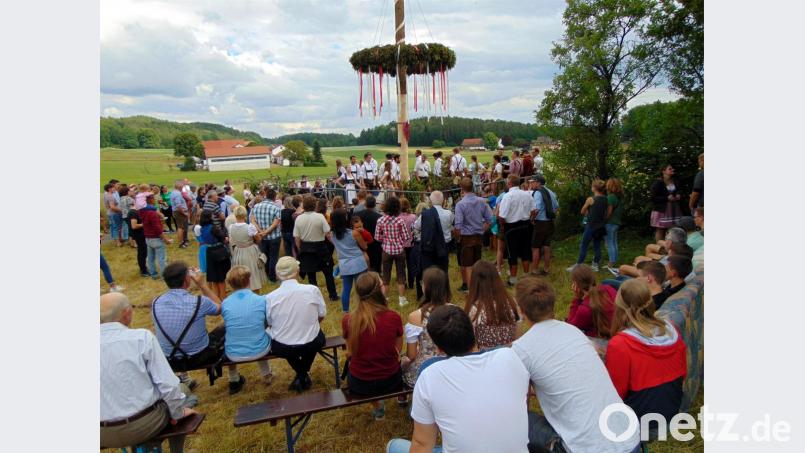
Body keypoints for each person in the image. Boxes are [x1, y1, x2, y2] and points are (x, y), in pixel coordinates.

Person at [511, 277, 640, 453]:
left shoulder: (521, 349)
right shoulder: (573, 331)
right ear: (552, 306)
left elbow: (516, 401)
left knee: (518, 420)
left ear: (521, 310)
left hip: (588, 449)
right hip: (630, 438)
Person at [386, 305, 530, 453]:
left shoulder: (430, 375)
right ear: (473, 331)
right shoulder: (511, 357)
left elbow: (422, 444)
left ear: (439, 349)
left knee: (394, 446)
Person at [100, 292, 197, 451]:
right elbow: (168, 386)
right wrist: (178, 413)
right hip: (143, 424)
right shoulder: (141, 338)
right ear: (127, 313)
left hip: (102, 432)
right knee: (182, 392)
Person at [607, 279, 687, 422]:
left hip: (639, 418)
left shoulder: (620, 344)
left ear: (619, 307)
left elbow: (616, 393)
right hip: (672, 407)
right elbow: (683, 372)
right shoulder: (670, 330)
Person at [151, 261, 224, 390]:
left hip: (169, 358)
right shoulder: (199, 302)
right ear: (187, 279)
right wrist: (202, 285)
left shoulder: (156, 302)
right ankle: (234, 377)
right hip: (199, 356)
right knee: (225, 327)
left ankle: (184, 377)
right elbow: (221, 308)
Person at [342, 272, 404, 420]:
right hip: (390, 380)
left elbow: (349, 351)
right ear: (379, 290)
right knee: (407, 360)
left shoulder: (348, 320)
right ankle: (402, 398)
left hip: (359, 382)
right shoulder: (393, 317)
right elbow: (398, 350)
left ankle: (378, 408)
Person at [265, 256, 327, 392]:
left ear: (277, 274)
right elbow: (322, 314)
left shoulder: (269, 298)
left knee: (289, 342)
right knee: (314, 339)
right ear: (297, 271)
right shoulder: (312, 290)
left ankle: (301, 375)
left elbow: (270, 323)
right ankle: (303, 374)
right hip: (311, 342)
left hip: (283, 346)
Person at [221, 266, 273, 394]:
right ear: (249, 281)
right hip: (260, 349)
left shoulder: (225, 303)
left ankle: (233, 378)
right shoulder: (261, 300)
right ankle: (267, 374)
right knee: (261, 331)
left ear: (230, 284)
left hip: (233, 353)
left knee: (230, 335)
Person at [402, 267, 453, 388]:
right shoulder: (456, 311)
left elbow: (412, 355)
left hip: (424, 372)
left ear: (426, 287)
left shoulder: (415, 316)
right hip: (452, 367)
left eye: (421, 283)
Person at [293, 195, 339, 301]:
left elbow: (297, 238)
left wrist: (301, 249)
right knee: (328, 272)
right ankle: (333, 295)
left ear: (304, 205)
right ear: (315, 205)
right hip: (320, 247)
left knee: (311, 274)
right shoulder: (319, 217)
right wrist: (336, 245)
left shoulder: (299, 218)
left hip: (306, 247)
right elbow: (328, 234)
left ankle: (314, 298)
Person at [464, 261, 519, 349]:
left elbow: (470, 345)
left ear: (474, 281)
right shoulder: (511, 303)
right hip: (509, 355)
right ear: (496, 278)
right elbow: (517, 335)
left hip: (485, 359)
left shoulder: (474, 310)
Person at [454, 177, 492, 291]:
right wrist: (482, 229)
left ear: (462, 189)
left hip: (466, 237)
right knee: (476, 263)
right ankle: (477, 287)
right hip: (478, 236)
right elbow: (490, 219)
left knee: (468, 265)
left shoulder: (460, 204)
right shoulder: (482, 201)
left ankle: (472, 291)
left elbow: (458, 225)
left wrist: (457, 237)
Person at [375, 196, 413, 307]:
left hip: (386, 250)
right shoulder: (400, 220)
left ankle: (385, 299)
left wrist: (386, 240)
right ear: (397, 208)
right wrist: (398, 240)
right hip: (399, 250)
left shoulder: (380, 220)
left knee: (386, 276)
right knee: (401, 275)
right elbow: (406, 236)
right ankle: (401, 299)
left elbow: (377, 237)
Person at [497, 175, 534, 285]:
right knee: (525, 251)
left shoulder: (508, 196)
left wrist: (502, 226)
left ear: (509, 183)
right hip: (526, 225)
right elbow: (534, 210)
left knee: (512, 253)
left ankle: (513, 279)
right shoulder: (527, 194)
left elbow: (502, 215)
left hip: (511, 227)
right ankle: (526, 275)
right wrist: (530, 219)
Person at [330, 208, 369, 312]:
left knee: (346, 289)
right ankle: (363, 309)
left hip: (344, 264)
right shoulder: (354, 233)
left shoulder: (331, 235)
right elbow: (364, 247)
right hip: (358, 263)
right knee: (362, 288)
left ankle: (345, 311)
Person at [568, 179, 608, 272]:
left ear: (594, 188)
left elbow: (582, 211)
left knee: (584, 245)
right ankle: (595, 265)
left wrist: (588, 213)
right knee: (597, 245)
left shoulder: (591, 199)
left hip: (591, 226)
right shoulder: (606, 199)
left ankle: (578, 265)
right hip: (601, 226)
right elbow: (605, 213)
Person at [567, 265, 617, 338]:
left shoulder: (584, 309)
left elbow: (570, 326)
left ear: (576, 285)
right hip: (619, 332)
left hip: (602, 339)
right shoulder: (608, 288)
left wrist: (576, 298)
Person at [227, 206, 267, 292]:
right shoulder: (250, 227)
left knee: (240, 274)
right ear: (245, 215)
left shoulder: (231, 227)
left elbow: (232, 240)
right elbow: (258, 239)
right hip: (250, 251)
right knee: (252, 274)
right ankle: (254, 293)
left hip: (238, 251)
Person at [413, 191, 453, 274]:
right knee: (443, 271)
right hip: (444, 246)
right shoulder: (449, 214)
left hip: (429, 247)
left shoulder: (425, 214)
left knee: (429, 272)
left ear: (430, 201)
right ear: (443, 201)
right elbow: (451, 227)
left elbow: (416, 226)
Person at [198, 205, 231, 300]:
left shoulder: (201, 228)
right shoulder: (214, 228)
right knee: (221, 278)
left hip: (209, 252)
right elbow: (223, 239)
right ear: (209, 217)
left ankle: (216, 297)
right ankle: (223, 297)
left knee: (214, 278)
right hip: (218, 252)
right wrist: (226, 238)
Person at [530, 174, 559, 276]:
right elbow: (556, 207)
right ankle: (546, 269)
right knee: (547, 246)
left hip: (540, 223)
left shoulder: (538, 193)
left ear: (538, 183)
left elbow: (536, 209)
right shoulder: (550, 191)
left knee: (535, 247)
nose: (530, 184)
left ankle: (534, 270)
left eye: (532, 182)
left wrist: (532, 219)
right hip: (550, 222)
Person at [251, 188, 282, 283]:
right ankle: (272, 277)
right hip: (274, 237)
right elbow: (276, 223)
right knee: (273, 257)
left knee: (265, 255)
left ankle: (266, 274)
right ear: (274, 197)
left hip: (262, 237)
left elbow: (252, 220)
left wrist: (261, 232)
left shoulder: (256, 206)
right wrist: (265, 231)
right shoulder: (276, 208)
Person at [141, 193, 172, 279]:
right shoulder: (152, 213)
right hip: (156, 238)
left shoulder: (142, 211)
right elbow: (157, 229)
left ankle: (153, 274)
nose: (154, 200)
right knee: (161, 258)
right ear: (150, 200)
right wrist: (166, 240)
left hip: (148, 237)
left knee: (150, 257)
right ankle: (164, 276)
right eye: (153, 198)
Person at [650, 164, 682, 242]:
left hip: (673, 209)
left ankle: (670, 247)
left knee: (672, 229)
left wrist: (678, 195)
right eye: (670, 169)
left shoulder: (674, 181)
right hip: (662, 209)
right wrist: (666, 198)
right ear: (663, 171)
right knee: (660, 229)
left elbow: (676, 192)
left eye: (672, 168)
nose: (672, 170)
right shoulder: (658, 183)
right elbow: (653, 198)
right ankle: (659, 248)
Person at [357, 195, 383, 273]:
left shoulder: (357, 214)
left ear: (365, 204)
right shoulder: (379, 217)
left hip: (361, 243)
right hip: (375, 244)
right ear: (375, 205)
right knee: (375, 266)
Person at [399, 198, 418, 291]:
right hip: (411, 244)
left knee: (401, 265)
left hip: (401, 244)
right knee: (411, 264)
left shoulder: (397, 218)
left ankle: (404, 283)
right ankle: (411, 283)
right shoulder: (413, 217)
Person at [605, 178, 624, 271]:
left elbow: (608, 213)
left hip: (610, 223)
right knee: (614, 242)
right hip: (616, 223)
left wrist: (603, 220)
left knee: (609, 243)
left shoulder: (611, 197)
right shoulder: (618, 197)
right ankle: (614, 260)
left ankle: (611, 263)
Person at [127, 204, 149, 277]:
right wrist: (144, 224)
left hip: (140, 234)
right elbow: (134, 226)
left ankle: (144, 268)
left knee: (143, 251)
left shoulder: (135, 211)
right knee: (142, 252)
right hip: (138, 235)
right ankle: (143, 270)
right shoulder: (133, 212)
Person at [104, 182, 125, 247]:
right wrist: (122, 210)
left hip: (109, 213)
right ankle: (118, 242)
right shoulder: (110, 196)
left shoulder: (106, 195)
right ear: (109, 189)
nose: (115, 189)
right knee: (116, 227)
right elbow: (112, 207)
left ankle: (118, 239)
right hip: (114, 214)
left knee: (113, 227)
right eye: (113, 188)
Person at [171, 180, 190, 248]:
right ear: (179, 186)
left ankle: (182, 241)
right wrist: (184, 213)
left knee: (180, 227)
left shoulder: (174, 192)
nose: (182, 187)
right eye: (182, 186)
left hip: (177, 212)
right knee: (181, 227)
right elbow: (178, 205)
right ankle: (181, 243)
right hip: (179, 212)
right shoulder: (177, 194)